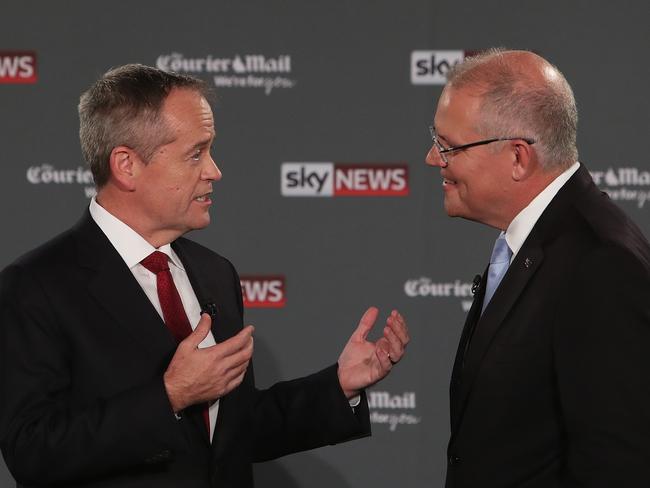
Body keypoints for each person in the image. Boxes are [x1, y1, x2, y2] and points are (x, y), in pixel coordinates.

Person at [0, 64, 409, 488]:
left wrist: (339, 384)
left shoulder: (213, 272)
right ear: (126, 165)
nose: (214, 170)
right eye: (196, 153)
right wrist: (170, 396)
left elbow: (233, 430)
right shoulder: (37, 287)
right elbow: (32, 450)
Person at [425, 48, 650, 488]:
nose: (434, 159)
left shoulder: (601, 265)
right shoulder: (537, 239)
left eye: (448, 147)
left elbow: (617, 465)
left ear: (518, 157)